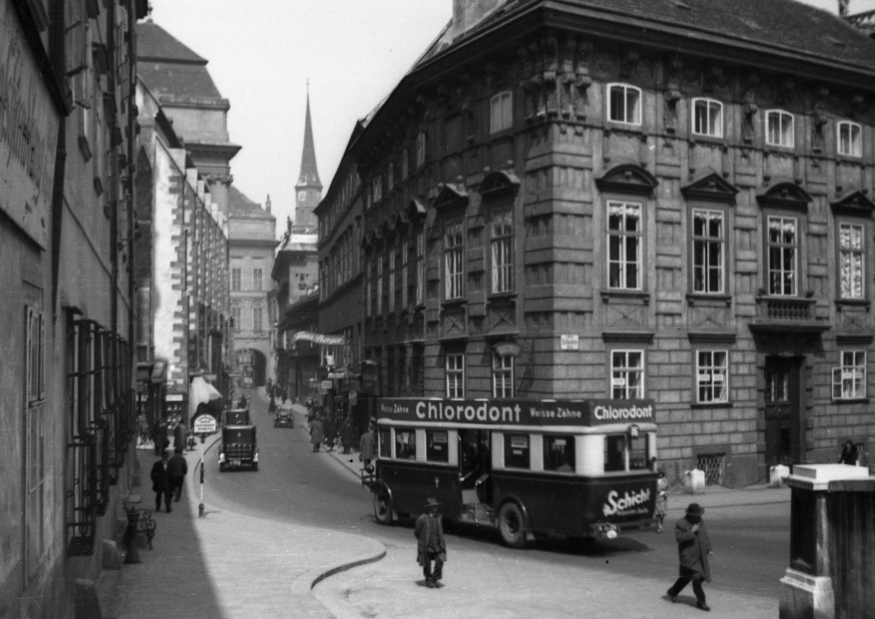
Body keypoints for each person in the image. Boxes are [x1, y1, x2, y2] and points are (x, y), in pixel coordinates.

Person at [667, 503, 713, 612]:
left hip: (700, 555)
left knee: (687, 577)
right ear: (690, 514)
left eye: (699, 515)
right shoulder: (681, 523)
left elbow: (705, 536)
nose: (698, 517)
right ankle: (701, 602)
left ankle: (673, 591)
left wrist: (709, 549)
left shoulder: (701, 521)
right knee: (696, 578)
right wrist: (691, 531)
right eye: (696, 515)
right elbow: (679, 538)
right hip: (688, 557)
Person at [414, 497, 447, 588]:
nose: (435, 509)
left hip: (437, 546)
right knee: (427, 565)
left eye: (436, 506)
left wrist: (441, 544)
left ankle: (435, 579)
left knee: (440, 561)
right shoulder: (422, 518)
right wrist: (422, 541)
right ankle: (428, 579)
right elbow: (417, 532)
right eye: (433, 507)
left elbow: (440, 531)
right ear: (429, 508)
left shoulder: (439, 517)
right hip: (427, 547)